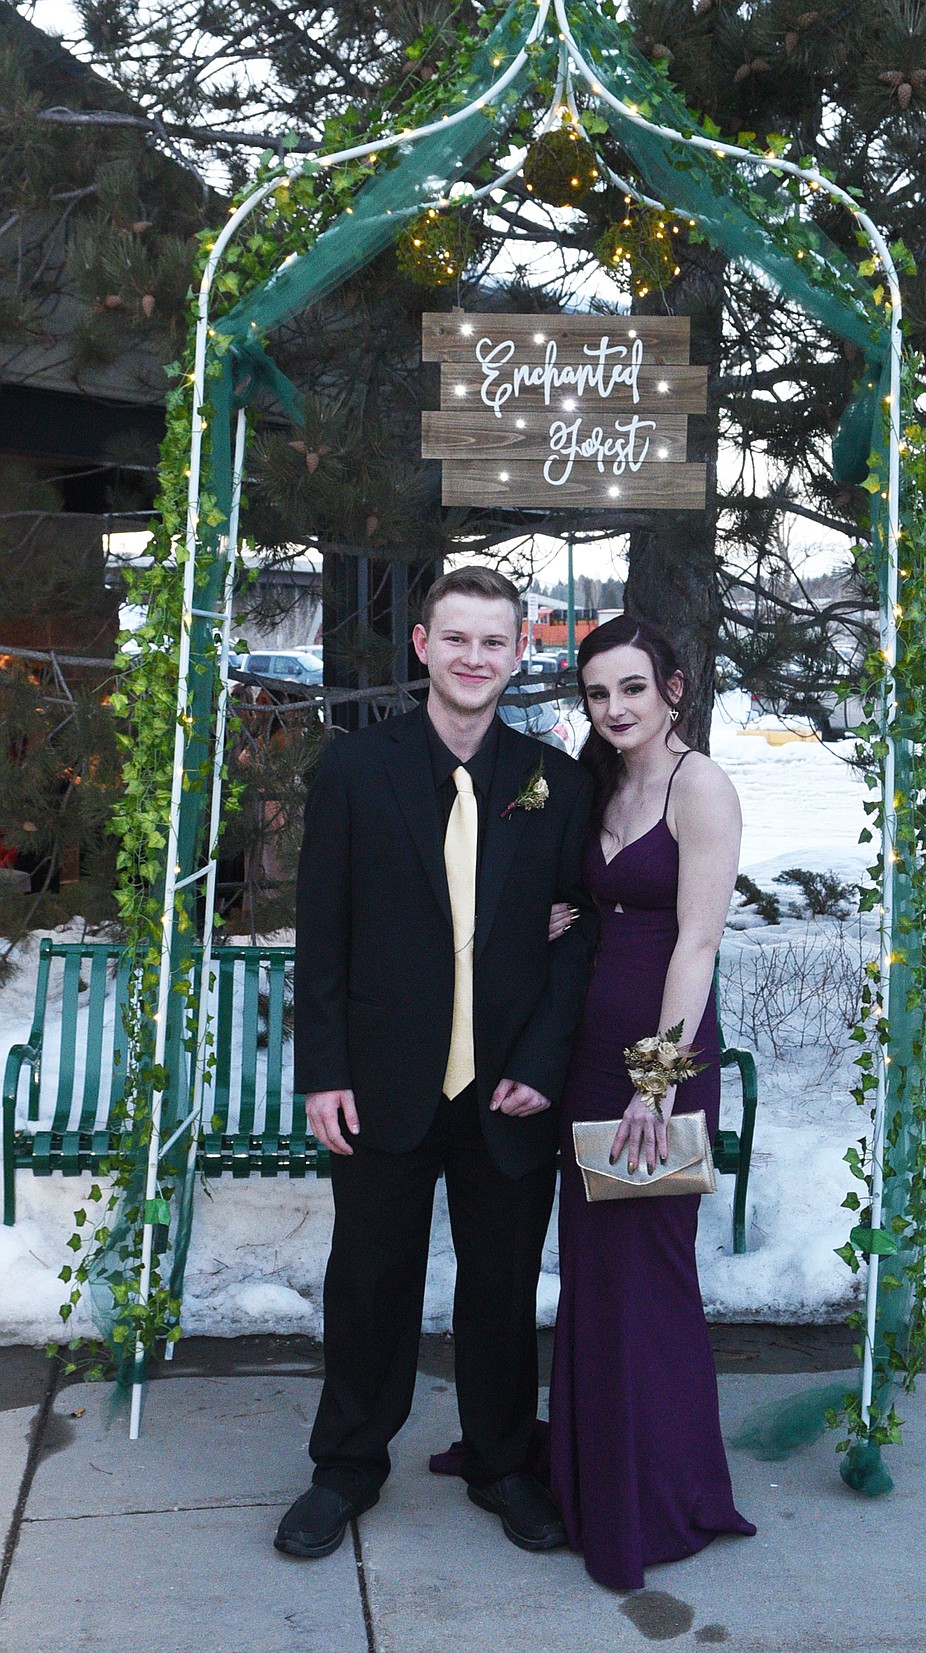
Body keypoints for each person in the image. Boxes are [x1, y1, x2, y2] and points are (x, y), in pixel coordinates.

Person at [276, 566, 597, 1560]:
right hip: (382, 1082)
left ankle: (501, 1464)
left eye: (493, 642)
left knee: (501, 1286)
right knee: (368, 1280)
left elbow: (580, 933)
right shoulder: (355, 772)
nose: (473, 658)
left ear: (516, 654)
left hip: (507, 1086)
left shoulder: (558, 782)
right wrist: (323, 1069)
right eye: (455, 639)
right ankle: (347, 1467)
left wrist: (544, 1062)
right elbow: (320, 933)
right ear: (422, 646)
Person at [548, 614, 756, 1590]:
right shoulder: (602, 780)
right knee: (595, 1276)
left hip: (656, 1066)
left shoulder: (698, 784)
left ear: (673, 687)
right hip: (591, 1056)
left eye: (633, 687)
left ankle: (660, 1505)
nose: (615, 707)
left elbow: (697, 945)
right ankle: (592, 1481)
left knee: (649, 1280)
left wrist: (656, 1082)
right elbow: (605, 905)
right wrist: (564, 911)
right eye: (598, 692)